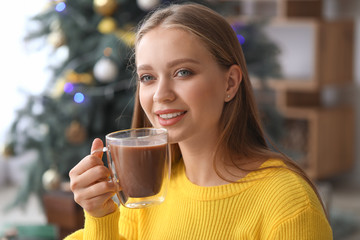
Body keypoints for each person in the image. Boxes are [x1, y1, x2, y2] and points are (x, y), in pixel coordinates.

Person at [65, 3, 332, 240]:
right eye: (148, 77)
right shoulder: (147, 193)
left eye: (183, 72)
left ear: (230, 83)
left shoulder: (287, 204)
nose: (161, 94)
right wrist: (99, 216)